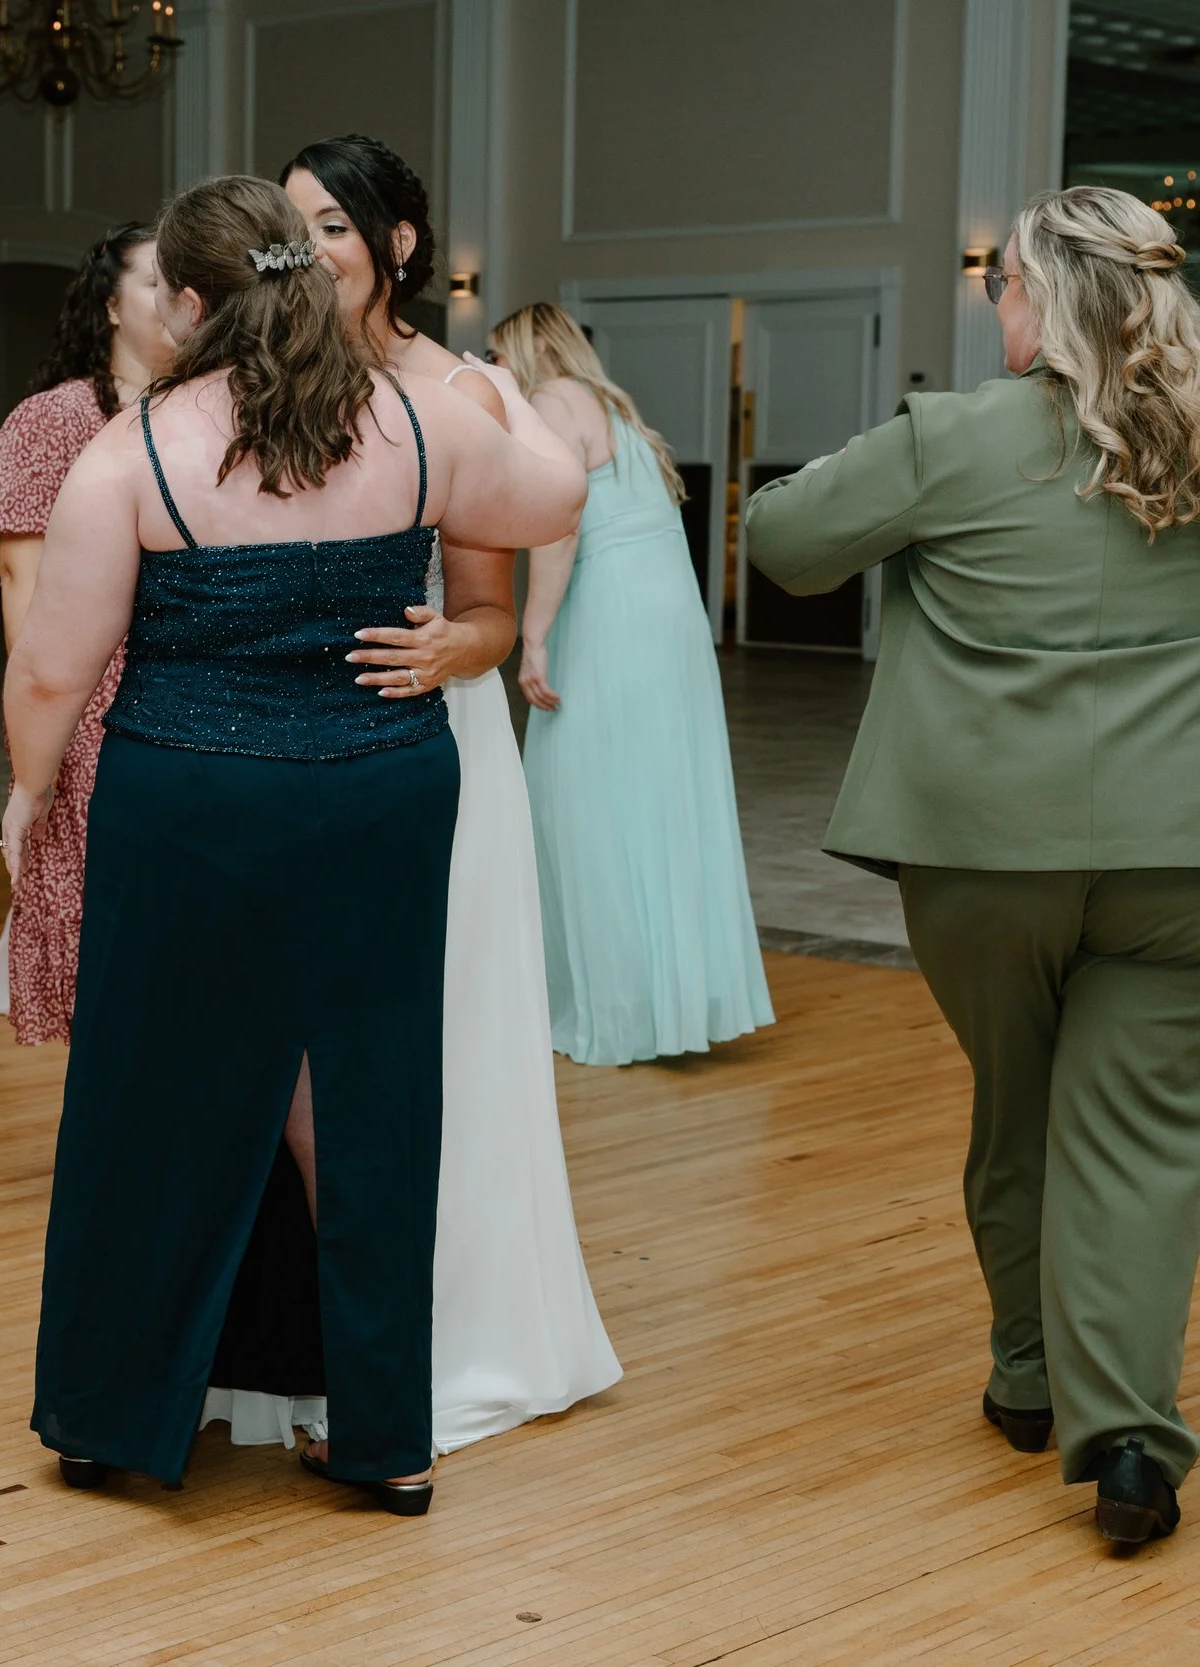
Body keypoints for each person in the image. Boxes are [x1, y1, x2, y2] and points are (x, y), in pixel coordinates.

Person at [3, 176, 587, 1510]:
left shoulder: (131, 453)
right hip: (380, 783)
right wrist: (489, 397)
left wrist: (34, 792)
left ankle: (113, 1418)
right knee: (368, 1098)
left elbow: (51, 674)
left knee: (156, 1094)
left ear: (196, 304)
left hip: (191, 800)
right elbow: (558, 500)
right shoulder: (416, 419)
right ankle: (388, 1437)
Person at [744, 184, 1200, 1548]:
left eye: (999, 285)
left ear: (1037, 300)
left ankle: (1026, 1376)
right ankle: (1127, 1440)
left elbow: (782, 543)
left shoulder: (953, 434)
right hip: (1177, 853)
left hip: (982, 851)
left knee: (1020, 1100)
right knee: (1141, 1135)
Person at [252, 135, 620, 1455]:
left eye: (335, 226)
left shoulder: (451, 390)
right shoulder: (264, 380)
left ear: (398, 244)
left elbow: (487, 608)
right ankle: (315, 1332)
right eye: (289, 228)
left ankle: (447, 1339)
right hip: (284, 755)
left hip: (433, 749)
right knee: (291, 1051)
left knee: (431, 1041)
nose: (310, 250)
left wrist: (443, 648)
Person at [495, 301, 772, 1065]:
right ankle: (666, 1004)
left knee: (581, 798)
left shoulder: (550, 402)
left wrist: (534, 633)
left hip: (611, 610)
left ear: (524, 353)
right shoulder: (615, 405)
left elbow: (559, 525)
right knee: (656, 796)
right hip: (667, 615)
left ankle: (612, 1008)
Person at [0, 221, 168, 1036]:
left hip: (199, 694)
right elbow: (24, 588)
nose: (180, 299)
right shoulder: (50, 422)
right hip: (93, 708)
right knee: (104, 932)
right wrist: (43, 738)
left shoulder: (219, 410)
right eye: (157, 281)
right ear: (111, 304)